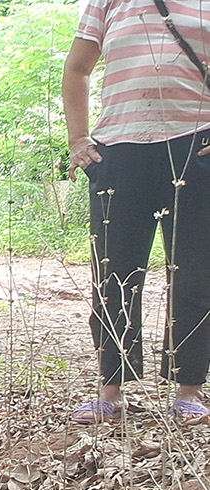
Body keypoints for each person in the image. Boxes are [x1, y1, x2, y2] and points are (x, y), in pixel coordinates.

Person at [63, 0, 210, 425]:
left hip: (196, 146)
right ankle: (111, 389)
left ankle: (188, 390)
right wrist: (78, 140)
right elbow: (77, 69)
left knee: (196, 270)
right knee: (114, 271)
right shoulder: (108, 3)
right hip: (119, 150)